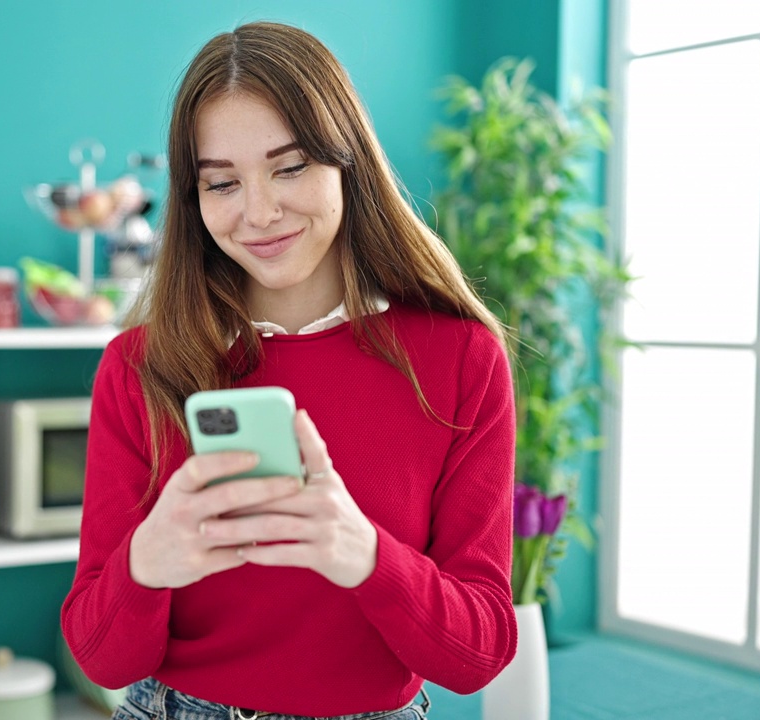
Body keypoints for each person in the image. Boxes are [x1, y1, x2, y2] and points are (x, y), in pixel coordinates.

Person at [61, 20, 517, 720]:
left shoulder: (458, 360)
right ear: (194, 199)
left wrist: (365, 554)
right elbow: (102, 658)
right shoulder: (140, 366)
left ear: (347, 160)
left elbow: (478, 654)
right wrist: (145, 564)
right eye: (222, 183)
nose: (259, 212)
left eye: (291, 166)